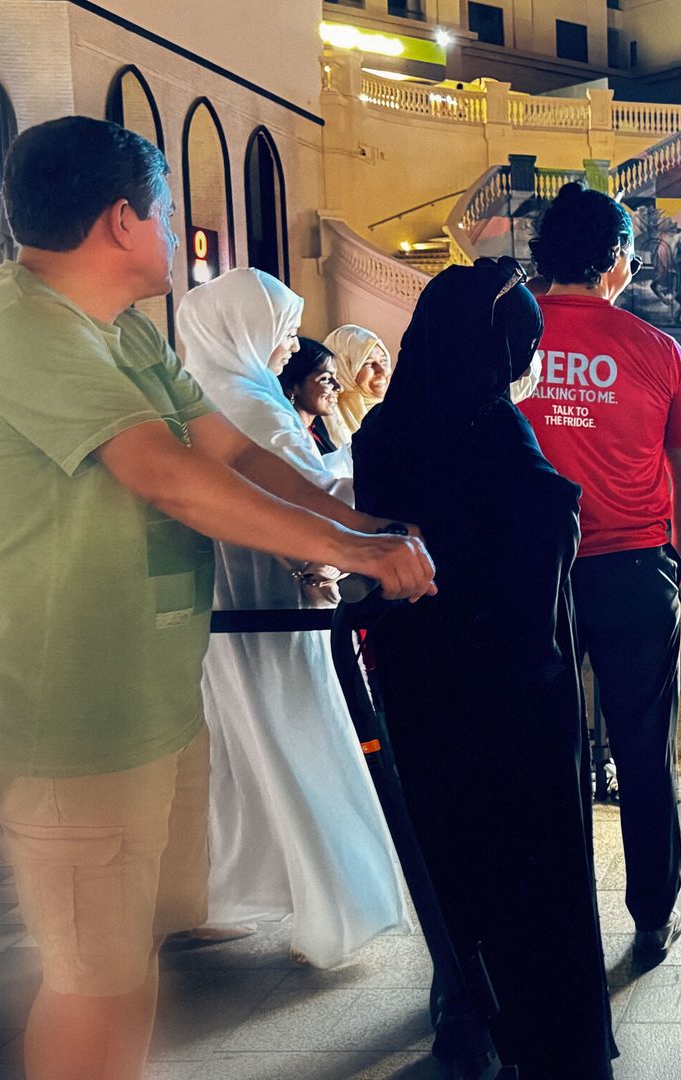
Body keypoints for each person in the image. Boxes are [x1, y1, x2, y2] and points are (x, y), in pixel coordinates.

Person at [0, 116, 433, 1080]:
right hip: (69, 717)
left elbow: (233, 452)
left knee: (120, 974)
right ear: (122, 221)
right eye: (165, 215)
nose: (174, 237)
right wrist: (346, 548)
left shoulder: (118, 332)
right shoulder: (18, 327)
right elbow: (165, 473)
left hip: (145, 704)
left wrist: (368, 533)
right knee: (90, 979)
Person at [355, 257, 616, 1078]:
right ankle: (542, 1034)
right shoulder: (494, 429)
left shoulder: (384, 431)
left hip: (418, 673)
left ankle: (463, 1009)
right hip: (508, 686)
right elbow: (534, 546)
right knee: (528, 859)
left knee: (449, 845)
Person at [176, 267, 407, 966]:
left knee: (240, 744)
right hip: (267, 594)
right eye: (278, 330)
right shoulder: (247, 401)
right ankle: (338, 903)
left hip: (225, 594)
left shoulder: (197, 392)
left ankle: (223, 894)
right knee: (298, 731)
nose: (287, 346)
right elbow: (310, 492)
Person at [520, 180, 681, 961]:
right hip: (635, 569)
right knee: (643, 747)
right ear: (619, 262)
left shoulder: (508, 342)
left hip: (532, 576)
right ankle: (652, 915)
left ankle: (553, 922)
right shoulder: (658, 352)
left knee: (543, 748)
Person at [322, 323, 392, 447]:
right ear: (343, 369)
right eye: (368, 363)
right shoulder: (325, 420)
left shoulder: (401, 408)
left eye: (384, 361)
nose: (382, 370)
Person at [279, 338, 343, 456]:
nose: (338, 387)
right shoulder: (288, 438)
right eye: (325, 379)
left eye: (336, 378)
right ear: (292, 388)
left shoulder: (316, 426)